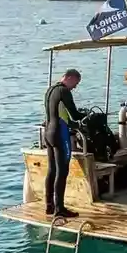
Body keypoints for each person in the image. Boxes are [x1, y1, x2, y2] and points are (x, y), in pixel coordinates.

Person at [43, 68, 83, 218]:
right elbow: (74, 113)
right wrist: (86, 116)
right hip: (60, 134)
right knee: (62, 171)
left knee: (52, 169)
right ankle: (59, 209)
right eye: (76, 83)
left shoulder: (50, 90)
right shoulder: (64, 91)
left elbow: (57, 114)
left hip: (48, 133)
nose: (75, 87)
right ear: (70, 78)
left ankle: (49, 206)